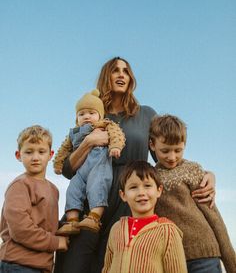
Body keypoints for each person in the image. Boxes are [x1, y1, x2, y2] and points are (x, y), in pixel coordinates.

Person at [54, 56, 216, 273]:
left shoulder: (146, 114)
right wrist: (89, 143)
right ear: (105, 77)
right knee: (74, 265)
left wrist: (206, 174)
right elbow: (67, 169)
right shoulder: (92, 114)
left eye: (126, 71)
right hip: (90, 199)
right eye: (115, 70)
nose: (122, 74)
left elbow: (167, 152)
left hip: (127, 197)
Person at [149, 114, 236, 273]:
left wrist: (231, 263)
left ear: (185, 145)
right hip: (171, 259)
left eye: (178, 150)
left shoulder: (192, 170)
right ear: (152, 145)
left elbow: (213, 215)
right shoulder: (150, 178)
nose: (172, 157)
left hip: (205, 256)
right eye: (165, 150)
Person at [54, 89, 125, 235]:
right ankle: (72, 221)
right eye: (82, 114)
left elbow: (117, 134)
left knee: (97, 185)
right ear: (76, 118)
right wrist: (58, 164)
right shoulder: (73, 133)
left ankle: (94, 217)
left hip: (99, 165)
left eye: (91, 113)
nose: (86, 117)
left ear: (100, 115)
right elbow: (63, 149)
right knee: (73, 189)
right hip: (80, 170)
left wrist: (116, 146)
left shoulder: (105, 125)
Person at [0, 125, 69, 273]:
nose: (35, 157)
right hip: (18, 264)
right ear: (19, 155)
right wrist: (56, 242)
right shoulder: (20, 185)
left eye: (41, 152)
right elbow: (21, 229)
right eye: (29, 152)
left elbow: (47, 225)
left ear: (50, 154)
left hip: (42, 266)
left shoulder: (53, 189)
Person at [102, 160, 188, 273]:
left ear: (159, 190)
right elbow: (107, 268)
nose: (141, 192)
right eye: (133, 187)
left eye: (147, 186)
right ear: (123, 195)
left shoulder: (168, 231)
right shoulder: (116, 229)